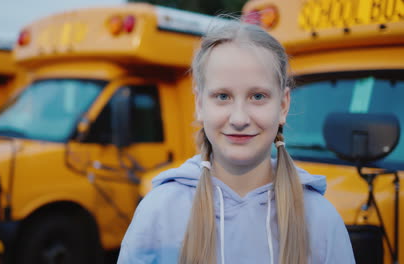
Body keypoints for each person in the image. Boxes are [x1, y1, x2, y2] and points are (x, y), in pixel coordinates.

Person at [117, 19, 355, 264]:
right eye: (223, 96)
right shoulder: (159, 212)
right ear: (199, 104)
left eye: (258, 96)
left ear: (283, 105)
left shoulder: (320, 219)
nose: (239, 118)